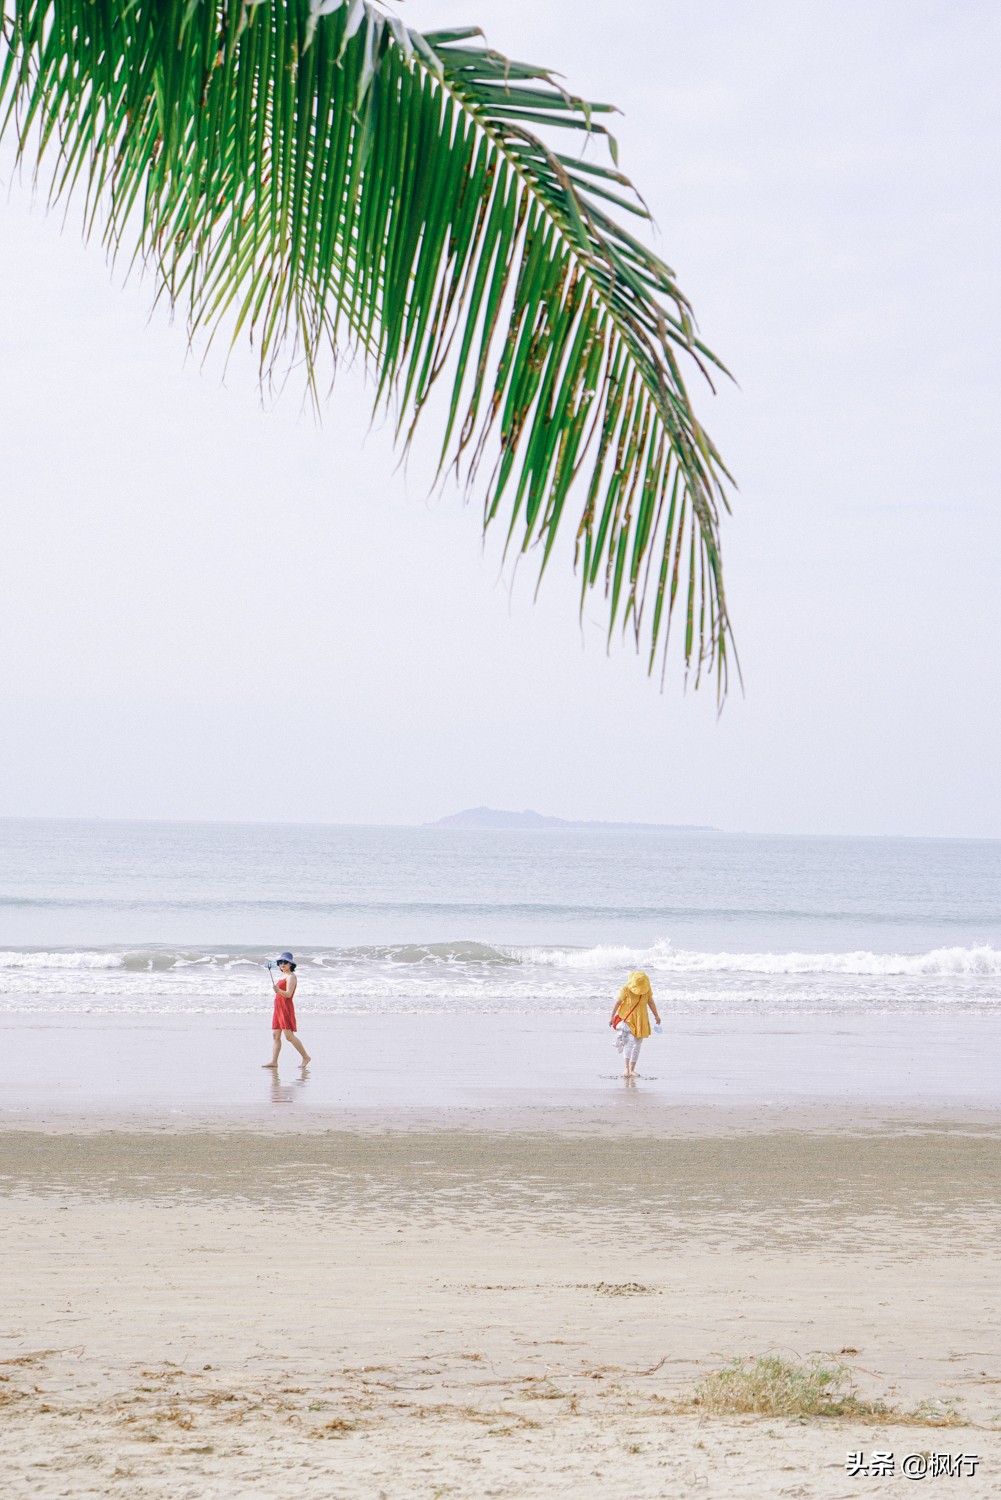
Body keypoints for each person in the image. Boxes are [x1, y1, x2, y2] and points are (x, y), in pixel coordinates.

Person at [262, 952, 311, 1069]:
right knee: (275, 1035)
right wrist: (278, 990)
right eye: (280, 962)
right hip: (278, 1008)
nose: (282, 964)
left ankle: (305, 1057)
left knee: (289, 1036)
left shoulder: (291, 977)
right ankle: (274, 1061)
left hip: (285, 1008)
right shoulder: (282, 976)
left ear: (291, 964)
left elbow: (288, 994)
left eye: (285, 962)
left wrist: (278, 990)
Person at [609, 970, 660, 1079]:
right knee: (630, 1042)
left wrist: (656, 1015)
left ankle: (632, 1069)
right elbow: (618, 1002)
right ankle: (626, 1068)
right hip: (628, 1020)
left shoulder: (646, 990)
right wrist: (612, 1017)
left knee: (638, 1043)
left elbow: (650, 1002)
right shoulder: (626, 988)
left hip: (641, 1020)